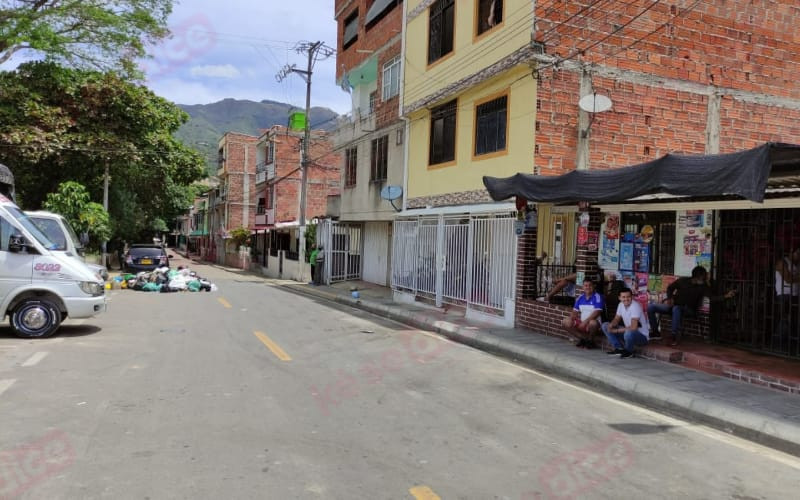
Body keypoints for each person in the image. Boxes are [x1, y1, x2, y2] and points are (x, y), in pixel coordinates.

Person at [647, 265, 735, 346]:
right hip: (674, 306)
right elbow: (670, 288)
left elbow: (712, 298)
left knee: (677, 309)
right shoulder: (682, 281)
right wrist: (670, 299)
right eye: (703, 277)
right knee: (651, 307)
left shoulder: (703, 287)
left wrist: (725, 296)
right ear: (697, 277)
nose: (704, 279)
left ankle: (673, 336)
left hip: (689, 310)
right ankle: (655, 332)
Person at [602, 288, 649, 358]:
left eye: (628, 297)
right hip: (629, 334)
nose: (626, 299)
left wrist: (616, 331)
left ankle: (629, 351)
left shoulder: (635, 306)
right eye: (623, 297)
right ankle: (619, 348)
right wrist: (611, 325)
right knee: (605, 325)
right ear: (619, 298)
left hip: (641, 337)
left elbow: (633, 327)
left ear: (632, 297)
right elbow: (616, 319)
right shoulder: (621, 305)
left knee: (628, 333)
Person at [561, 278, 605, 348]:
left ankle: (591, 341)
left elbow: (597, 312)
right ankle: (583, 339)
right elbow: (574, 312)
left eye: (590, 285)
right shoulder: (580, 298)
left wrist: (585, 322)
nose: (588, 287)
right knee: (565, 322)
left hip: (594, 324)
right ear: (583, 287)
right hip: (582, 323)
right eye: (586, 286)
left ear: (593, 286)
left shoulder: (598, 297)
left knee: (593, 322)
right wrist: (571, 319)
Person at [774, 248, 800, 342]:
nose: (799, 255)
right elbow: (788, 279)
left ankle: (790, 344)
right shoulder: (782, 262)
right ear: (791, 252)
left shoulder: (798, 264)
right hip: (784, 295)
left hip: (795, 295)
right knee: (784, 319)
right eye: (798, 252)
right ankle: (778, 343)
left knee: (794, 320)